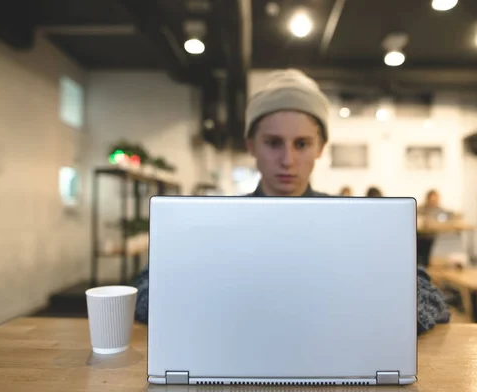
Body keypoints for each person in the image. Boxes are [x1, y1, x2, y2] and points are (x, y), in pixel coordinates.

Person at [133, 69, 449, 334]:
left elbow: (431, 299)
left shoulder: (353, 222)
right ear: (251, 146)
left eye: (302, 144)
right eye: (273, 143)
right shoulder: (216, 221)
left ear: (321, 147)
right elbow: (143, 292)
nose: (288, 159)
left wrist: (359, 300)